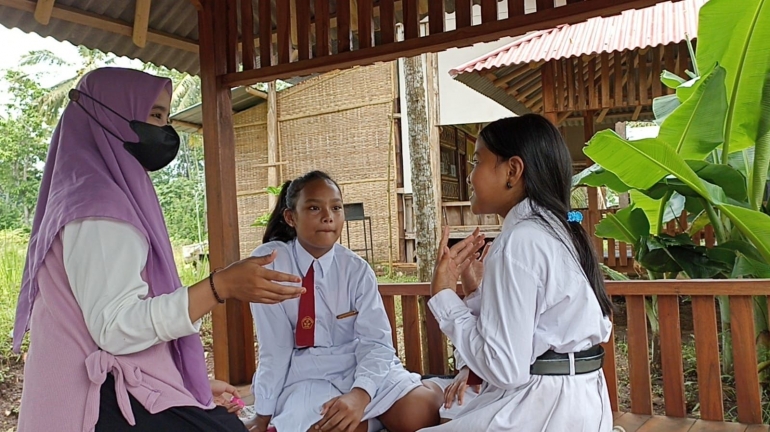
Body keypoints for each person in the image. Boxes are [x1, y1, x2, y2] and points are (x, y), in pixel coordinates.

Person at [12, 67, 307, 432]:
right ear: (111, 114)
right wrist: (220, 287)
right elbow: (116, 327)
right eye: (154, 116)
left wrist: (183, 385)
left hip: (109, 385)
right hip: (92, 401)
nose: (163, 132)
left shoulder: (89, 194)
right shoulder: (99, 209)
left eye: (166, 118)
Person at [422, 114, 614, 431]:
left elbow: (505, 368)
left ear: (512, 170)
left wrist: (444, 297)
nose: (470, 176)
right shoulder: (556, 231)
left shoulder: (519, 242)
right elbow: (535, 328)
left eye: (476, 162)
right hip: (576, 402)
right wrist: (475, 294)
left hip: (546, 409)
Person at [247, 171, 444, 432]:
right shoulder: (270, 263)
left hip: (358, 364)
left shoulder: (356, 270)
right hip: (305, 373)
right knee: (322, 426)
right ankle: (369, 421)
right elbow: (276, 348)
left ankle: (431, 386)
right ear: (290, 217)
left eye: (336, 207)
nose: (328, 216)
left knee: (417, 415)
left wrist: (360, 395)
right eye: (314, 207)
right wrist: (262, 414)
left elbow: (375, 342)